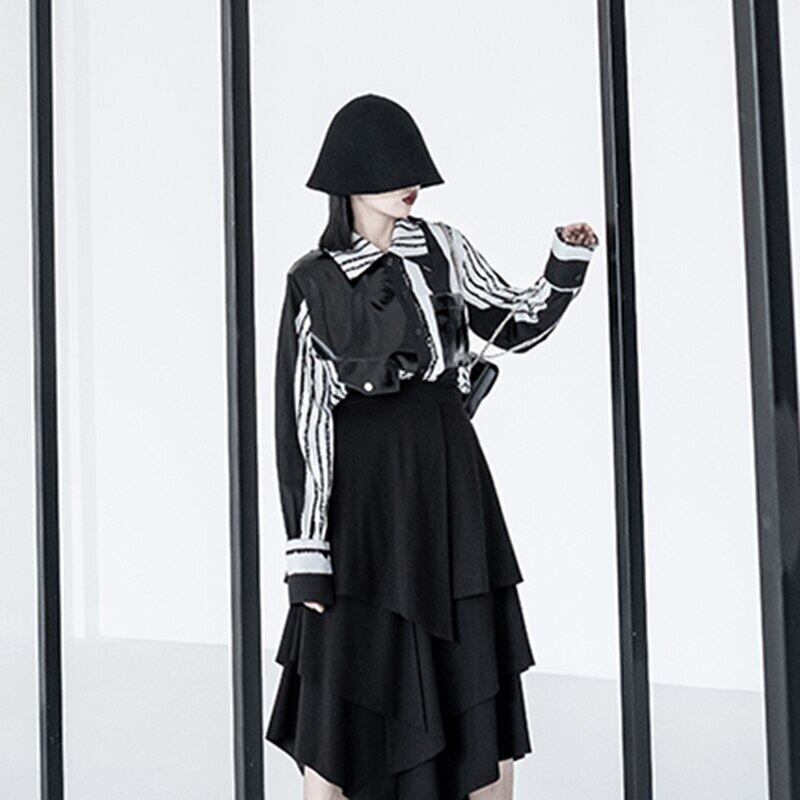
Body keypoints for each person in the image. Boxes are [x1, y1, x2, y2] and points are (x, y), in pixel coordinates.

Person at [265, 93, 599, 800]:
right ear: (349, 179)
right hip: (366, 497)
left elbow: (514, 324)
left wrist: (564, 264)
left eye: (414, 167)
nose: (411, 182)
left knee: (472, 667)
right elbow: (305, 422)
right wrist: (308, 551)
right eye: (390, 168)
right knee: (346, 672)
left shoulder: (444, 247)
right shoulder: (314, 280)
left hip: (450, 476)